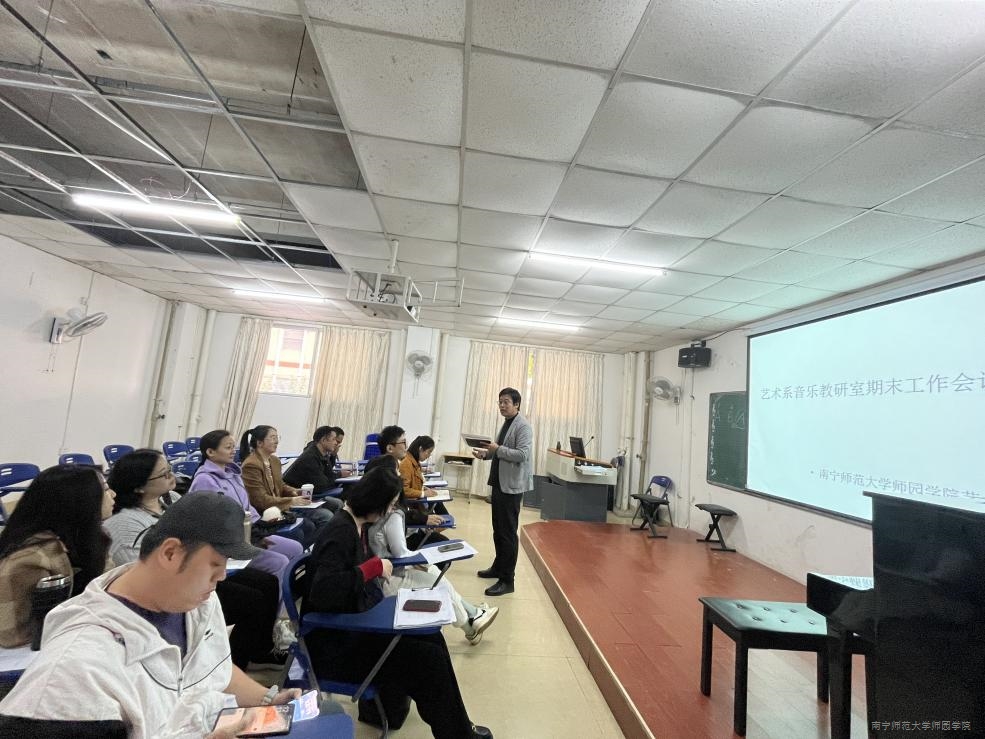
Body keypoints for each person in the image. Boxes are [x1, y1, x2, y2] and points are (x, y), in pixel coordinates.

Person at [0, 493, 313, 738]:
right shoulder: (75, 672)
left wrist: (268, 699)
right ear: (170, 553)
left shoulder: (198, 605)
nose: (221, 577)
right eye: (216, 565)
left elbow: (214, 670)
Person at [303, 468, 493, 739]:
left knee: (432, 638)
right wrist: (372, 568)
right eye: (390, 505)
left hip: (355, 626)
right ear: (376, 502)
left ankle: (460, 728)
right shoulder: (341, 532)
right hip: (336, 646)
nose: (391, 510)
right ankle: (459, 734)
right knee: (427, 659)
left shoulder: (355, 526)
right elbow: (324, 591)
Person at [105, 449, 283, 670]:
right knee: (251, 600)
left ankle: (260, 649)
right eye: (163, 474)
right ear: (139, 486)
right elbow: (149, 572)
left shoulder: (172, 499)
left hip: (194, 568)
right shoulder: (126, 524)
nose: (172, 476)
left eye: (170, 469)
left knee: (267, 582)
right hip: (174, 584)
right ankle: (230, 665)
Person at [366, 465, 498, 645]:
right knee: (438, 582)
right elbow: (400, 553)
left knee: (434, 572)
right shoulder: (391, 514)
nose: (400, 474)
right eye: (396, 471)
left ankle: (473, 616)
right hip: (388, 576)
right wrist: (417, 559)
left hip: (390, 568)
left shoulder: (382, 510)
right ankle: (470, 624)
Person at [0, 464, 115, 648]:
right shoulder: (29, 559)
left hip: (75, 635)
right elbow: (12, 636)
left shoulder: (91, 536)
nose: (113, 495)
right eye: (106, 489)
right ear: (80, 500)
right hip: (29, 651)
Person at [187, 429, 302, 580]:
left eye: (233, 447)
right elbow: (210, 522)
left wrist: (260, 529)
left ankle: (287, 589)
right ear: (210, 452)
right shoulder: (205, 480)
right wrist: (249, 537)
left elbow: (247, 507)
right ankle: (277, 594)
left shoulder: (234, 475)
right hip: (226, 544)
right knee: (279, 562)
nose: (233, 451)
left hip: (249, 534)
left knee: (295, 548)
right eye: (228, 447)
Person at [472, 387, 533, 597]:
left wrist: (496, 449)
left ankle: (508, 580)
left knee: (507, 533)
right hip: (499, 484)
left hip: (511, 487)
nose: (502, 405)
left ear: (517, 404)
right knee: (498, 530)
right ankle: (498, 568)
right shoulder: (507, 423)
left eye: (506, 402)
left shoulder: (523, 426)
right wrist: (485, 454)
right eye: (500, 402)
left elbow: (522, 455)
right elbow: (499, 451)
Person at [240, 426, 328, 544]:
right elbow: (260, 500)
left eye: (277, 437)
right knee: (306, 527)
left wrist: (295, 491)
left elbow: (280, 485)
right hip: (265, 514)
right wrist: (292, 501)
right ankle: (297, 552)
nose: (276, 441)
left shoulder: (274, 461)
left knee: (311, 525)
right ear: (259, 443)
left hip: (280, 508)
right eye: (272, 438)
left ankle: (301, 552)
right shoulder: (251, 465)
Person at [377, 428, 447, 548]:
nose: (407, 446)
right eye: (403, 442)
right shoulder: (386, 472)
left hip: (406, 523)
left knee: (443, 539)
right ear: (390, 448)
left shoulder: (397, 465)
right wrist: (423, 518)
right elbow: (396, 509)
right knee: (442, 545)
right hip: (397, 536)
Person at [281, 426, 343, 514]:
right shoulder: (310, 457)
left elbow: (329, 474)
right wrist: (338, 475)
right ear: (323, 440)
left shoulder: (322, 454)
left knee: (338, 503)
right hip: (295, 498)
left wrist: (332, 455)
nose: (336, 443)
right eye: (333, 439)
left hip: (310, 495)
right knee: (326, 514)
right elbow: (322, 485)